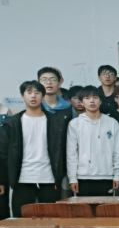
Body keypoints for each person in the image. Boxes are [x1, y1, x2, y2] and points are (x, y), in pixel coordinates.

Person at [0, 81, 68, 217]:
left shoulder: (57, 122)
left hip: (49, 179)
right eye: (29, 92)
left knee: (51, 221)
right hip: (22, 180)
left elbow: (64, 151)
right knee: (21, 221)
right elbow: (3, 154)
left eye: (37, 93)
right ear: (22, 96)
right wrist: (2, 180)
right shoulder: (11, 123)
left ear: (43, 97)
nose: (33, 96)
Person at [67, 87, 119, 197]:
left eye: (95, 97)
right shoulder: (75, 124)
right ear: (81, 102)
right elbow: (71, 153)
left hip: (107, 176)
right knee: (84, 208)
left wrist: (117, 175)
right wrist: (72, 178)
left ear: (101, 101)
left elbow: (118, 151)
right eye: (87, 98)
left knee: (106, 208)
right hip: (82, 177)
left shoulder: (112, 123)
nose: (92, 101)